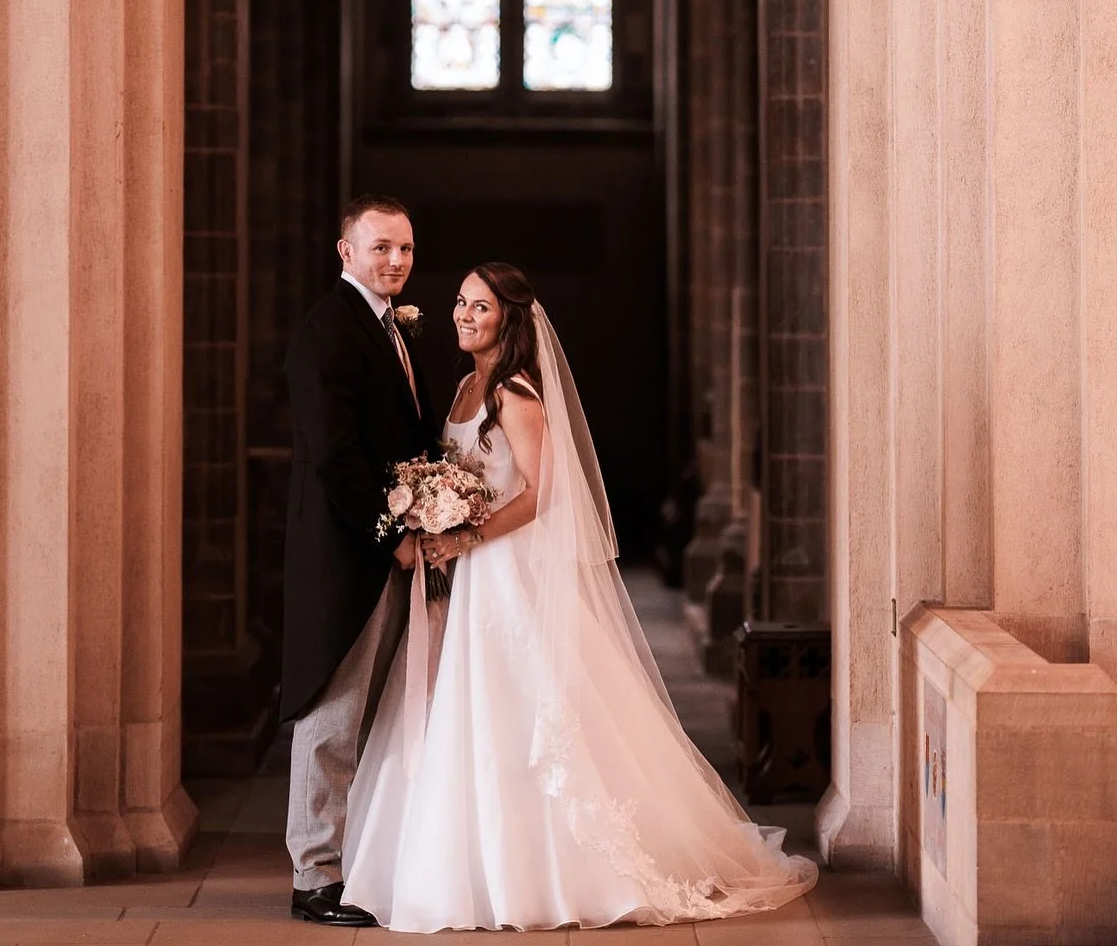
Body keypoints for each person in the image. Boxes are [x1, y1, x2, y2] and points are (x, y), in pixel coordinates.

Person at [342, 262, 819, 930]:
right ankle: (464, 864)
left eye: (480, 308)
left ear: (509, 319)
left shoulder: (515, 393)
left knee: (523, 711)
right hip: (464, 579)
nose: (464, 316)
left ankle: (547, 874)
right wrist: (429, 510)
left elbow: (543, 495)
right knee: (456, 712)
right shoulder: (460, 388)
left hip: (504, 574)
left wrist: (467, 535)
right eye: (460, 303)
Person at [282, 195, 437, 926]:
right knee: (334, 710)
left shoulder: (389, 328)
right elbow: (335, 457)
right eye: (380, 248)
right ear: (345, 252)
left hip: (385, 550)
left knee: (371, 716)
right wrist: (394, 535)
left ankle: (355, 861)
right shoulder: (330, 330)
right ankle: (314, 875)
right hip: (347, 555)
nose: (395, 261)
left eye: (404, 249)